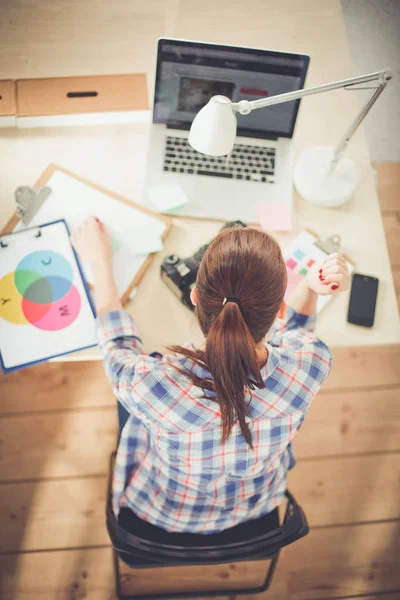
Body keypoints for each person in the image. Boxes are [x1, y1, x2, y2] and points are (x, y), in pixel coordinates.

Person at [72, 216, 349, 535]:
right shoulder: (311, 364)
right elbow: (297, 334)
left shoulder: (152, 386)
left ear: (194, 298)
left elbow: (117, 347)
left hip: (163, 511)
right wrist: (312, 288)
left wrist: (99, 263)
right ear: (276, 313)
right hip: (255, 505)